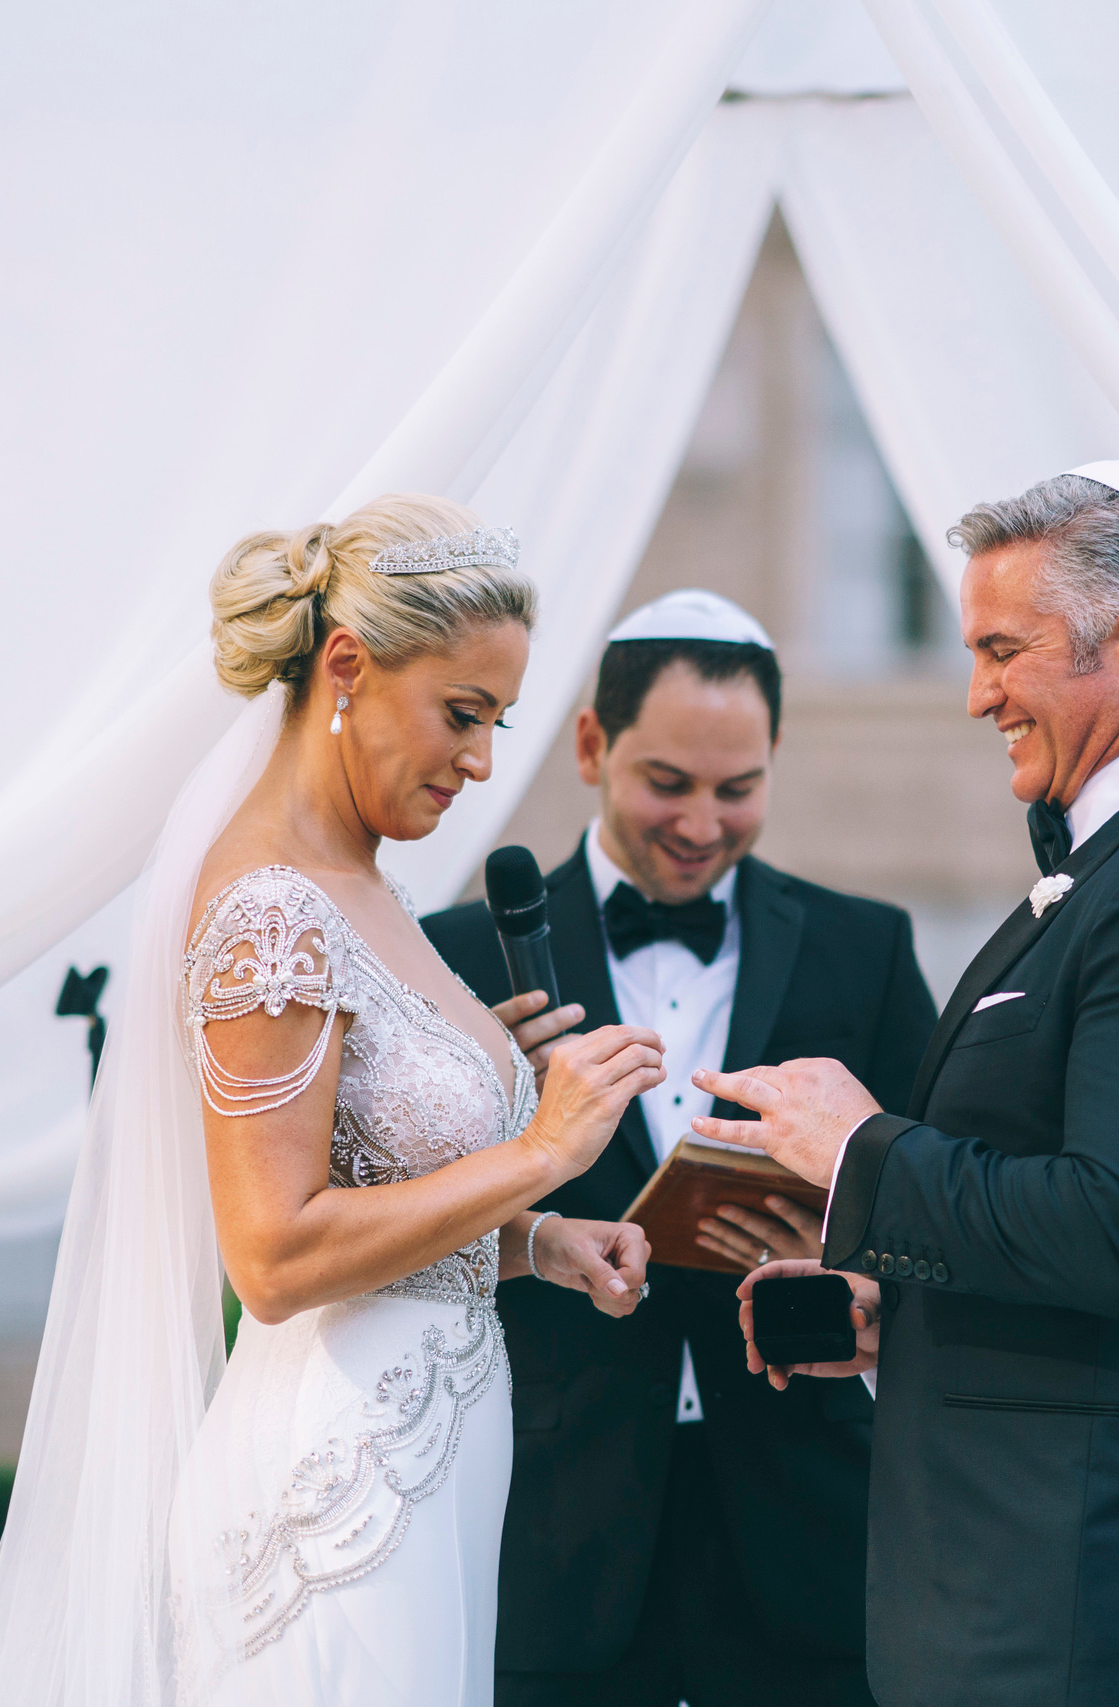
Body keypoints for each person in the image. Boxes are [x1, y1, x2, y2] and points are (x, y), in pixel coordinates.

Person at [0, 496, 667, 1707]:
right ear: (346, 665)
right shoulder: (271, 910)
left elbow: (385, 1213)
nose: (483, 760)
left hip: (427, 1458)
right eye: (461, 713)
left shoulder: (363, 885)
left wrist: (538, 1243)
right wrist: (541, 1149)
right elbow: (275, 1255)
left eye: (497, 721)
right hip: (335, 1482)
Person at [696, 465, 1119, 1707]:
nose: (979, 692)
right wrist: (901, 1316)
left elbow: (1118, 1233)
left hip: (1090, 1617)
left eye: (1003, 648)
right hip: (1025, 1602)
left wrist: (860, 1150)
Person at [423, 589, 937, 1707]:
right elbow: (406, 1229)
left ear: (775, 759)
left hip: (809, 1530)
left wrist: (849, 1244)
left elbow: (936, 1199)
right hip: (557, 1526)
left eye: (736, 789)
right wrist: (492, 1118)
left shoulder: (869, 947)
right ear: (592, 744)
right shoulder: (452, 957)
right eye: (668, 784)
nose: (702, 823)